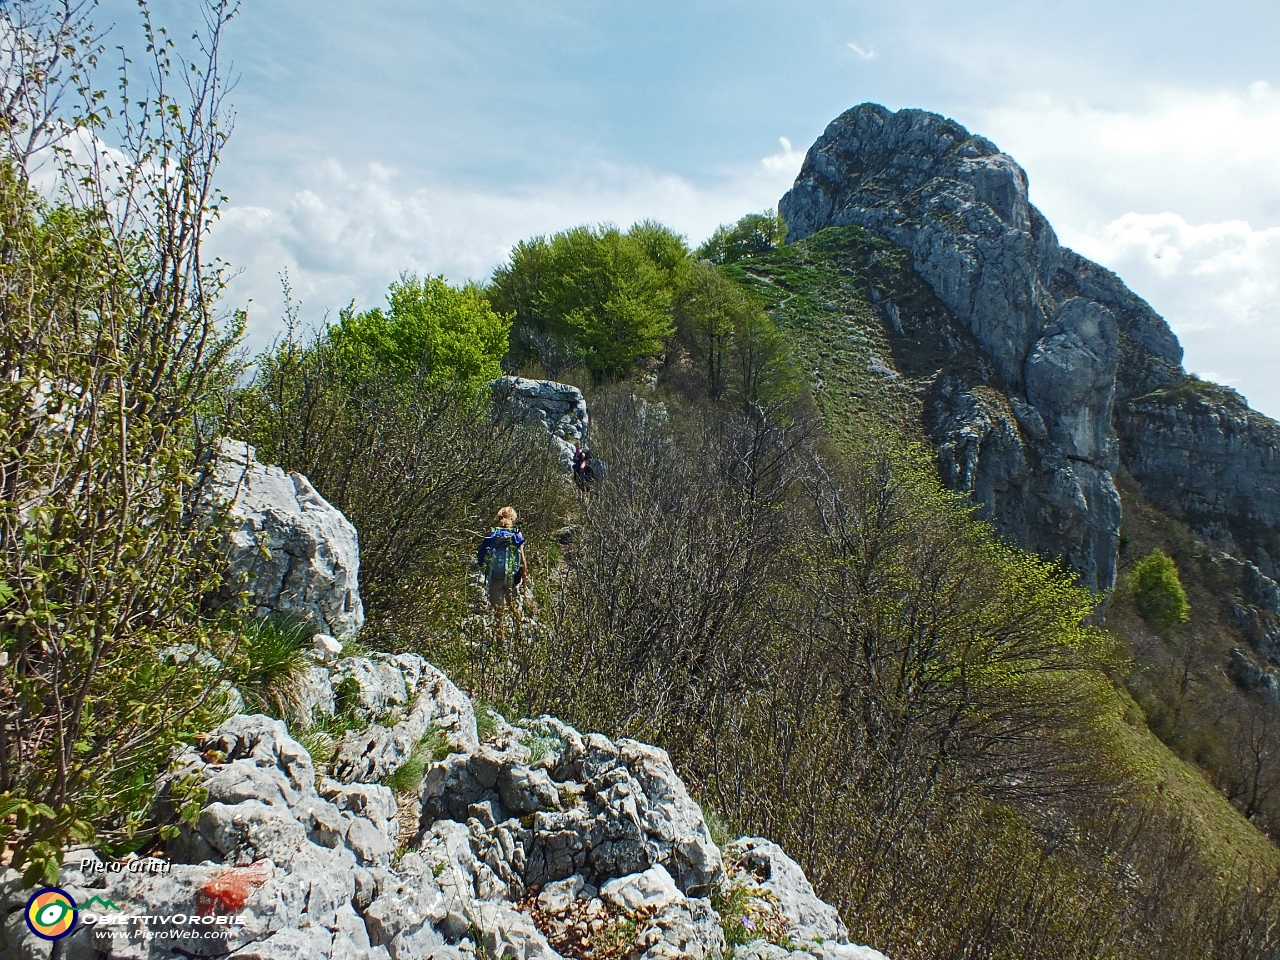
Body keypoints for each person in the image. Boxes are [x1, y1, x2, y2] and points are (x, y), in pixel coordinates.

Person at [476, 506, 528, 644]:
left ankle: (501, 642)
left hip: (496, 578)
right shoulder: (517, 536)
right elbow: (522, 560)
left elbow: (481, 555)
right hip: (511, 578)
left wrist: (485, 567)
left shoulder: (492, 535)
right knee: (513, 605)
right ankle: (519, 632)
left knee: (499, 613)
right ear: (513, 519)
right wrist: (524, 580)